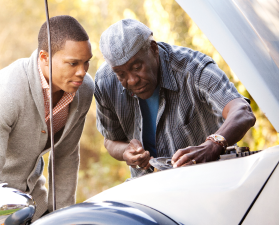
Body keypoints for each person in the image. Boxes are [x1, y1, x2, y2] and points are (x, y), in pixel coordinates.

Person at [0, 15, 93, 225]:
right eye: (73, 63)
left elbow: (66, 157)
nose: (82, 72)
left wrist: (63, 218)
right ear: (44, 57)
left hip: (27, 184)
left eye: (86, 62)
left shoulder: (84, 90)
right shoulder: (6, 92)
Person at [94, 19, 256, 177]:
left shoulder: (193, 68)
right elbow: (110, 141)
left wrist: (213, 145)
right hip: (151, 193)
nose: (132, 80)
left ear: (153, 48)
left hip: (211, 182)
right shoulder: (104, 82)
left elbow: (242, 112)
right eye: (121, 74)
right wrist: (126, 151)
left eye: (137, 67)